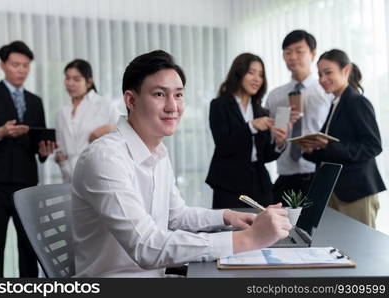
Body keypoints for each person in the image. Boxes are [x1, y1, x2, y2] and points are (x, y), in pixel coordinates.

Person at [71, 50, 291, 277]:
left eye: (178, 95)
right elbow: (146, 246)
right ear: (131, 100)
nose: (172, 106)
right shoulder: (106, 158)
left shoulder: (158, 152)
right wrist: (248, 238)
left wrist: (226, 216)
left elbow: (176, 216)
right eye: (159, 94)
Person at [0, 41, 55, 277]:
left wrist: (44, 151)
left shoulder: (35, 101)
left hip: (26, 182)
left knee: (30, 246)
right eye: (16, 65)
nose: (21, 70)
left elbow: (37, 141)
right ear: (3, 65)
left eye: (26, 66)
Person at [298, 49, 386, 228]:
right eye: (320, 74)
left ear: (346, 70)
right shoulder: (336, 103)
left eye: (328, 72)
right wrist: (310, 151)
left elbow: (373, 146)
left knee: (360, 248)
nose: (322, 79)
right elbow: (332, 150)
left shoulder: (357, 102)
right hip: (334, 190)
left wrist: (328, 146)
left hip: (356, 192)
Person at [205, 53, 288, 209]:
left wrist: (279, 143)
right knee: (229, 231)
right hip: (229, 184)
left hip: (259, 182)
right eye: (251, 72)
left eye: (261, 75)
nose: (257, 79)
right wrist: (251, 126)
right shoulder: (219, 105)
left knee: (265, 230)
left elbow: (265, 155)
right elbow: (223, 144)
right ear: (239, 73)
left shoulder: (261, 111)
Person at [265, 30, 331, 204]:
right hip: (285, 177)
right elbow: (270, 139)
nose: (293, 56)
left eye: (299, 51)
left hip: (318, 175)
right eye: (287, 52)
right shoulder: (275, 96)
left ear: (313, 53)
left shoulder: (326, 91)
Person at [55, 59, 120, 182]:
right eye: (67, 78)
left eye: (76, 79)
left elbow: (127, 132)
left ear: (89, 82)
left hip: (98, 174)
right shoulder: (61, 113)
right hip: (69, 176)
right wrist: (62, 162)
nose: (70, 83)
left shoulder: (104, 105)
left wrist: (110, 129)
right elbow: (60, 148)